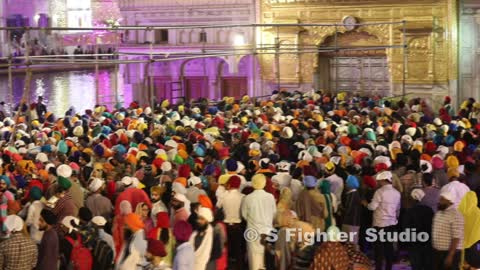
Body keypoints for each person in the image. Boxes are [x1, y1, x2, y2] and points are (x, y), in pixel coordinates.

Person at [363, 171, 401, 270]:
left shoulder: (379, 192)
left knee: (378, 250)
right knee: (389, 248)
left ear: (384, 180)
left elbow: (372, 207)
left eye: (379, 180)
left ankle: (379, 267)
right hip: (392, 224)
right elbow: (398, 209)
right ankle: (389, 267)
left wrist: (365, 204)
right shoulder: (397, 193)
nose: (378, 182)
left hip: (379, 224)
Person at [241, 174, 277, 270]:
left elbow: (244, 215)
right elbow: (274, 213)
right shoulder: (270, 197)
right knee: (268, 260)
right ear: (264, 183)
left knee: (254, 259)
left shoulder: (248, 198)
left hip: (253, 231)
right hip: (268, 231)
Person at [216, 175, 245, 269]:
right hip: (238, 225)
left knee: (226, 250)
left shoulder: (223, 195)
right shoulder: (243, 197)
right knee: (238, 251)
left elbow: (218, 207)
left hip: (226, 226)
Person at [432, 191, 464, 270]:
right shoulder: (439, 212)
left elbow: (456, 237)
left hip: (449, 253)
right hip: (438, 252)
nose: (439, 201)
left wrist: (450, 255)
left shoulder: (456, 215)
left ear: (449, 201)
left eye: (442, 199)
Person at [403, 189, 434, 270]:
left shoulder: (409, 211)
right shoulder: (429, 210)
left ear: (412, 198)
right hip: (427, 242)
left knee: (416, 265)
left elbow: (406, 228)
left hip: (414, 243)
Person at [341, 175, 362, 245]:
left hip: (351, 222)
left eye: (346, 183)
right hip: (353, 222)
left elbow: (349, 209)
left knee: (351, 243)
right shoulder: (355, 194)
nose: (345, 184)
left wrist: (341, 209)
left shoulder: (353, 194)